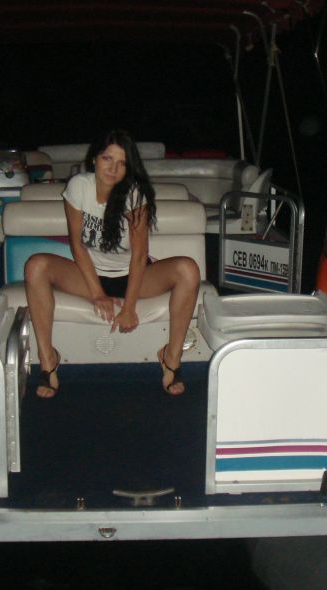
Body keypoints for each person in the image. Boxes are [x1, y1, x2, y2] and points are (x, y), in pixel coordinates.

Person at [24, 130, 201, 399]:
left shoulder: (134, 195)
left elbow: (140, 256)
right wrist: (98, 294)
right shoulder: (79, 187)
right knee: (36, 265)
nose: (113, 168)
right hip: (89, 276)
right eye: (107, 158)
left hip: (132, 275)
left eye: (121, 163)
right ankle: (48, 359)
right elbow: (77, 245)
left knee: (188, 269)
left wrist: (129, 307)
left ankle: (171, 358)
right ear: (94, 159)